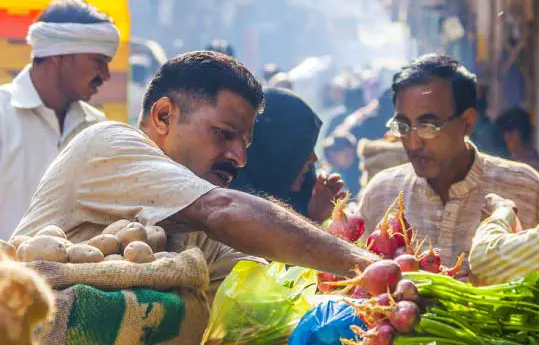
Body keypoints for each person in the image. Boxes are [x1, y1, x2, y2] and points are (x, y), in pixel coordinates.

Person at [12, 52, 374, 288]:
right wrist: (366, 266)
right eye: (223, 134)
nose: (238, 157)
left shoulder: (192, 216)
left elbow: (262, 285)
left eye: (244, 144)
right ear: (164, 116)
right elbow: (223, 209)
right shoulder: (109, 143)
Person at [358, 54, 539, 269]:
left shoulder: (526, 189)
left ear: (467, 121)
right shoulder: (381, 195)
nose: (414, 144)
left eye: (428, 126)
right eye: (404, 127)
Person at [0, 0, 120, 239]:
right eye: (99, 61)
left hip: (74, 274)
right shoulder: (3, 116)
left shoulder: (95, 128)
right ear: (58, 54)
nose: (105, 75)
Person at [230, 88, 345, 222]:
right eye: (301, 149)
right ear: (274, 150)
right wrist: (313, 221)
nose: (313, 158)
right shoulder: (233, 209)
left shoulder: (297, 201)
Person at [495, 107, 539, 176]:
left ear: (522, 131)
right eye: (504, 131)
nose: (506, 136)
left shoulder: (536, 165)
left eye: (510, 130)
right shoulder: (505, 162)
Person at [323, 132, 361, 197]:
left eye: (335, 152)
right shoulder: (334, 176)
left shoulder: (365, 165)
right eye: (329, 157)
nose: (332, 160)